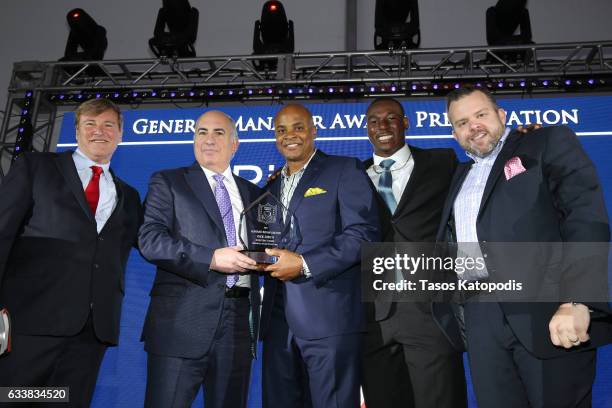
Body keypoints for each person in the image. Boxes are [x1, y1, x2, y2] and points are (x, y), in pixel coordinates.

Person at [437, 85, 612, 407]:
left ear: (501, 116)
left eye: (481, 115)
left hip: (544, 310)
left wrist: (577, 299)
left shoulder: (543, 143)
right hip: (480, 317)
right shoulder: (457, 176)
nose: (473, 126)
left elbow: (584, 217)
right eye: (462, 123)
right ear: (454, 134)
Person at [0, 98, 142, 406]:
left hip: (90, 332)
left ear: (120, 134)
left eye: (108, 125)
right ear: (77, 131)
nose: (99, 132)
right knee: (13, 399)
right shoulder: (36, 167)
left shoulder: (129, 196)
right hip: (30, 323)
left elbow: (154, 243)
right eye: (90, 124)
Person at [138, 110, 262, 408]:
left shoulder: (256, 194)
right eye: (201, 132)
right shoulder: (168, 181)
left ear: (235, 144)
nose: (208, 139)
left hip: (238, 323)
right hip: (181, 323)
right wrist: (210, 258)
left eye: (218, 133)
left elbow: (264, 249)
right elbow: (150, 240)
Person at [260, 103, 379, 408]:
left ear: (314, 131)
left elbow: (363, 234)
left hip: (329, 320)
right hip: (277, 323)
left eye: (298, 127)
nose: (290, 135)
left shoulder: (344, 169)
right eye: (281, 129)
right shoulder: (271, 186)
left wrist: (304, 264)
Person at [361, 97, 467, 408]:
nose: (383, 126)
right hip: (374, 321)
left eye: (391, 118)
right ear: (366, 128)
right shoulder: (349, 174)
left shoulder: (442, 163)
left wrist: (520, 144)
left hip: (430, 314)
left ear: (405, 123)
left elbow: (486, 173)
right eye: (374, 121)